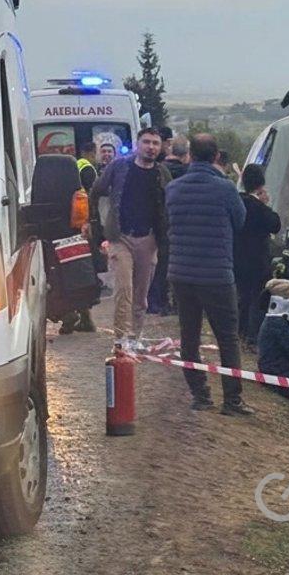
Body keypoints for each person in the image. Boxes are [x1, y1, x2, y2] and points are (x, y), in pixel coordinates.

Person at [164, 133, 252, 415]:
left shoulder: (174, 188)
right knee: (227, 338)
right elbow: (240, 221)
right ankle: (232, 401)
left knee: (189, 336)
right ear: (216, 157)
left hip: (181, 273)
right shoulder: (225, 189)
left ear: (190, 155)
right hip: (216, 274)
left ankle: (200, 395)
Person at [88, 127, 173, 348]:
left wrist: (164, 237)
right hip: (120, 237)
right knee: (124, 289)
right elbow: (96, 191)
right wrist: (96, 226)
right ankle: (120, 338)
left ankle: (135, 336)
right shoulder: (119, 167)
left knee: (141, 293)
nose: (151, 147)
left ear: (161, 147)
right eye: (147, 142)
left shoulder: (162, 173)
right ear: (138, 144)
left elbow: (167, 205)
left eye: (155, 143)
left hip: (149, 239)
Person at [235, 164, 282, 344]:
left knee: (241, 296)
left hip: (237, 256)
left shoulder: (237, 201)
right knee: (258, 299)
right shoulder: (260, 207)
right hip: (257, 260)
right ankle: (253, 336)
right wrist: (266, 205)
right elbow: (275, 224)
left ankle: (239, 330)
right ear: (261, 184)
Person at [59, 142, 101, 335]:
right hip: (80, 225)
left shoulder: (73, 167)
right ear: (90, 152)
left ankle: (73, 316)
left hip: (67, 225)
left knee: (69, 272)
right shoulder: (87, 168)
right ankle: (83, 317)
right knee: (80, 271)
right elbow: (93, 196)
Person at [148, 136, 191, 316]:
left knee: (157, 264)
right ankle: (171, 302)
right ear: (186, 154)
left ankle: (154, 301)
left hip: (156, 222)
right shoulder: (187, 174)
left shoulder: (157, 170)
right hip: (179, 225)